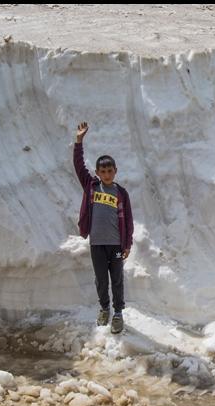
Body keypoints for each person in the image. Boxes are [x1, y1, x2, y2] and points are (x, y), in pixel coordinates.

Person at [73, 122, 134, 334]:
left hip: (116, 243)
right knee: (101, 278)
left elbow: (128, 221)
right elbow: (79, 166)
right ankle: (104, 308)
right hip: (97, 243)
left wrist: (127, 244)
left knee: (116, 279)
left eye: (110, 171)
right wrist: (79, 141)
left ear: (115, 171)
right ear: (98, 172)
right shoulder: (92, 187)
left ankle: (118, 313)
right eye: (103, 171)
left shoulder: (121, 193)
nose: (107, 174)